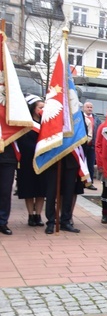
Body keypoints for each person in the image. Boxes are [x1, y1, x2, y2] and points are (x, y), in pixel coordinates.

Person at [15, 95, 46, 228]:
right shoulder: (26, 123)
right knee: (28, 188)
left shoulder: (46, 123)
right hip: (27, 160)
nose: (42, 110)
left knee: (40, 189)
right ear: (33, 108)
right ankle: (30, 215)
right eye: (40, 107)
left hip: (41, 160)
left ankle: (38, 215)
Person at [80, 102, 101, 189]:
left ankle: (90, 182)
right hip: (82, 145)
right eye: (88, 107)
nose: (89, 109)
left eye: (91, 107)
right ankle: (81, 182)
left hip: (92, 145)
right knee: (81, 164)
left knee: (90, 164)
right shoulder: (80, 117)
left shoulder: (96, 119)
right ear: (84, 108)